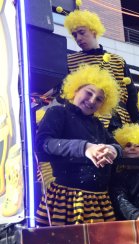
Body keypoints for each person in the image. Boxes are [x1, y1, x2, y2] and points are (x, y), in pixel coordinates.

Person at [35, 65, 122, 226]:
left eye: (99, 99)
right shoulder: (57, 112)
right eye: (89, 93)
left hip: (99, 200)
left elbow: (117, 147)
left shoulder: (97, 124)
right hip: (67, 200)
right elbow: (43, 144)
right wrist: (85, 148)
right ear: (75, 90)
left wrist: (112, 150)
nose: (92, 100)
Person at [64, 9, 139, 131]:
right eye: (74, 35)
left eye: (82, 32)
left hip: (118, 121)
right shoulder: (70, 61)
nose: (78, 38)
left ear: (94, 31)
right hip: (84, 121)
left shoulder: (118, 60)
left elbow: (131, 96)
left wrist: (137, 124)